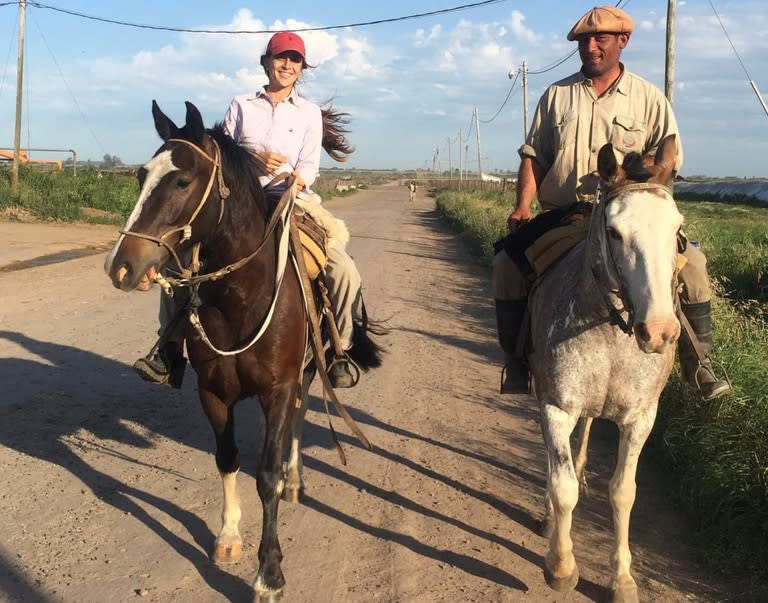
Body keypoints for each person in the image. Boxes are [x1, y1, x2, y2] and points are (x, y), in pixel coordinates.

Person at [492, 6, 731, 400]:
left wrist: (631, 175)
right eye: (584, 41)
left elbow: (668, 158)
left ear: (623, 41)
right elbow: (534, 157)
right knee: (505, 265)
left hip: (632, 215)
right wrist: (522, 206)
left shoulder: (649, 99)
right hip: (568, 216)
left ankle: (699, 362)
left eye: (600, 38)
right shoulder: (556, 96)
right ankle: (517, 362)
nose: (590, 47)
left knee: (696, 269)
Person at [134, 31, 363, 389]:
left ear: (302, 68)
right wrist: (254, 157)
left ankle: (339, 348)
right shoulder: (241, 105)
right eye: (280, 57)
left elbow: (309, 166)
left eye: (295, 60)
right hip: (239, 202)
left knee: (344, 269)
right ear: (266, 62)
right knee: (178, 264)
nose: (287, 65)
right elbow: (220, 151)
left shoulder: (308, 114)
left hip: (290, 199)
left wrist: (295, 181)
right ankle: (168, 348)